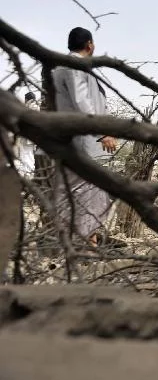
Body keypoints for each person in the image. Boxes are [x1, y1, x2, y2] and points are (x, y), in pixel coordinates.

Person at [51, 27, 118, 246]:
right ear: (90, 44)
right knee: (86, 190)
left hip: (68, 137)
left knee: (75, 190)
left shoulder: (59, 67)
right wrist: (102, 131)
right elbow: (82, 102)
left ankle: (86, 240)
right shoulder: (75, 66)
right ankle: (87, 243)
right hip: (83, 138)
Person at [14, 92, 39, 178]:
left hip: (28, 138)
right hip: (29, 138)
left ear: (27, 99)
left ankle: (28, 177)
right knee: (27, 157)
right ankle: (28, 176)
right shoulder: (34, 107)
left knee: (27, 158)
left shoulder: (32, 108)